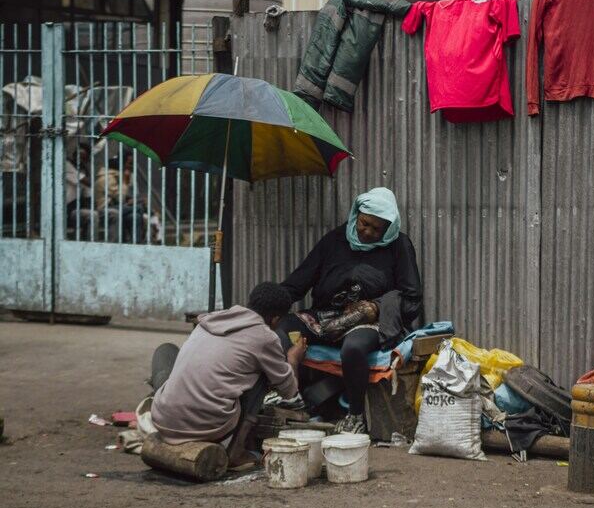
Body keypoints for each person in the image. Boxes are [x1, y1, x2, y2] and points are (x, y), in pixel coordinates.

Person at [279, 187, 423, 434]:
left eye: (377, 229)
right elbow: (298, 282)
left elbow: (412, 298)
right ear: (356, 215)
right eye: (364, 224)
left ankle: (355, 415)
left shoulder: (399, 245)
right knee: (282, 329)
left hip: (368, 318)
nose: (368, 232)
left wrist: (376, 307)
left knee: (354, 348)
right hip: (325, 316)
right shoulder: (335, 240)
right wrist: (267, 308)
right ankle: (287, 398)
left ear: (388, 229)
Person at [150, 282, 307, 467]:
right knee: (265, 373)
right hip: (203, 427)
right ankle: (236, 450)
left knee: (167, 350)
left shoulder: (210, 320)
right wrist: (293, 359)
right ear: (275, 319)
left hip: (162, 419)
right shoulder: (265, 337)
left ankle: (175, 408)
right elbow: (289, 392)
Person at [94, 151, 146, 242]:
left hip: (118, 207)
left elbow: (125, 197)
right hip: (106, 209)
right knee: (139, 208)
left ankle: (135, 243)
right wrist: (125, 182)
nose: (131, 167)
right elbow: (120, 198)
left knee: (136, 216)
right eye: (129, 163)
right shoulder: (108, 178)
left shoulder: (116, 177)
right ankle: (140, 239)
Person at [64, 144, 98, 238]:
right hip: (64, 208)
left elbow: (88, 194)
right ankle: (91, 243)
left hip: (74, 208)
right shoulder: (66, 165)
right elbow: (87, 182)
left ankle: (88, 240)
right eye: (78, 156)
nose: (79, 160)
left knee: (93, 213)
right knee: (93, 215)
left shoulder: (83, 171)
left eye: (83, 158)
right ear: (74, 155)